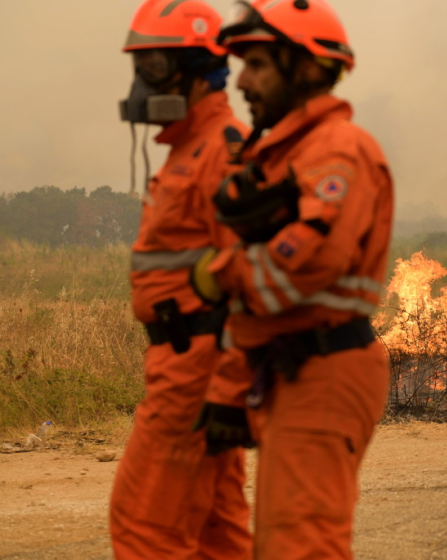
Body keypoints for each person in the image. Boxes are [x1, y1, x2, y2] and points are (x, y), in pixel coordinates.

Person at [191, 0, 394, 557]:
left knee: (300, 546)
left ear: (304, 67)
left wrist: (221, 273)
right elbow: (259, 305)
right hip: (289, 368)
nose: (241, 80)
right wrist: (230, 391)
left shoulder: (336, 149)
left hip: (325, 370)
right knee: (280, 542)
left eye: (257, 64)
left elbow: (311, 263)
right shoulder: (284, 153)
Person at [109, 1, 252, 558]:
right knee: (217, 531)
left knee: (145, 525)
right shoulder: (187, 149)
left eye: (155, 67)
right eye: (140, 67)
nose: (143, 84)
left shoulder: (222, 151)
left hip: (196, 366)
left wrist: (226, 385)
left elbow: (248, 279)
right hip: (190, 361)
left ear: (196, 70)